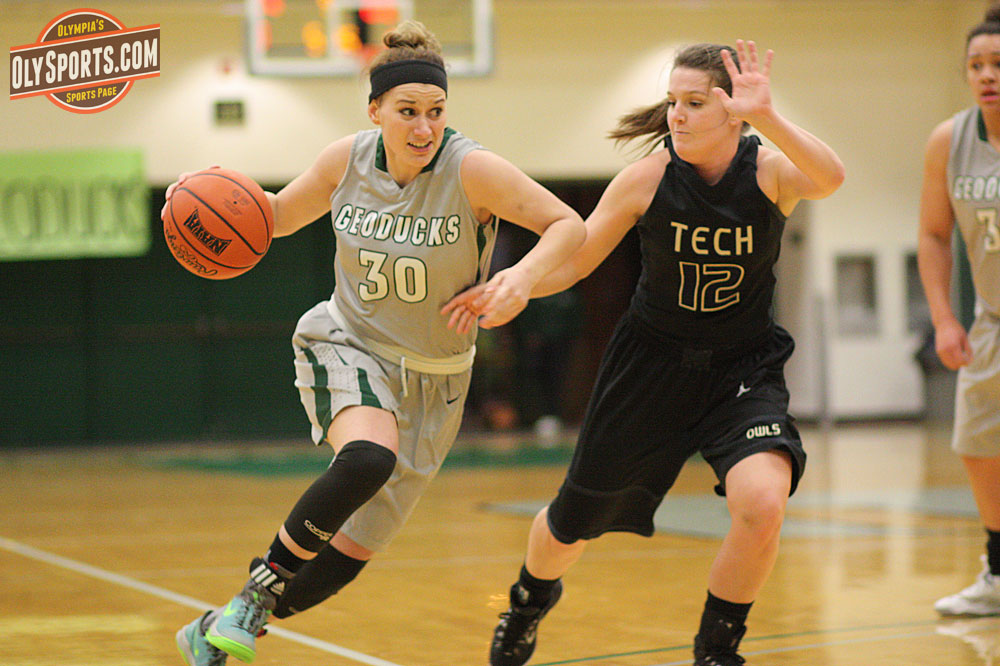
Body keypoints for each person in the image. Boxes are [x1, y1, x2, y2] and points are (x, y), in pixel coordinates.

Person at [168, 21, 585, 666]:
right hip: (349, 342)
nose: (424, 127)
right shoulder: (347, 160)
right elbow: (275, 217)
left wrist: (520, 279)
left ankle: (215, 625)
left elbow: (567, 225)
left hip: (438, 378)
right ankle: (254, 596)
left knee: (339, 564)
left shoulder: (471, 169)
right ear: (375, 111)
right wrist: (204, 198)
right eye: (407, 111)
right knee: (367, 458)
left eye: (436, 111)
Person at [446, 40, 844, 665]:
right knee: (571, 524)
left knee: (764, 505)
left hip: (741, 368)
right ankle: (526, 601)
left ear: (733, 111)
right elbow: (577, 259)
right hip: (650, 366)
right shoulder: (648, 178)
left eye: (694, 103)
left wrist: (768, 116)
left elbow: (830, 177)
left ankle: (716, 650)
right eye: (672, 101)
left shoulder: (768, 172)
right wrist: (519, 282)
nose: (676, 115)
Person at [918, 3, 1000, 619]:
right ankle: (998, 572)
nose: (986, 74)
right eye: (976, 64)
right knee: (978, 446)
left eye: (998, 62)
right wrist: (945, 317)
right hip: (991, 319)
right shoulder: (950, 140)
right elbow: (934, 234)